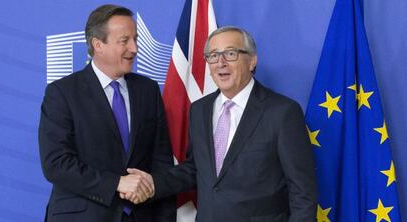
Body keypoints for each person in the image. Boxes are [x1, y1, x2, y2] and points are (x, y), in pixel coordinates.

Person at [131, 26, 318, 222]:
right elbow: (196, 169)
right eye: (213, 55)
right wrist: (153, 183)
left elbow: (303, 192)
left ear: (252, 61)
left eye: (230, 54)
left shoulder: (282, 112)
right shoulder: (199, 110)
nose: (220, 63)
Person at [38, 4, 175, 222]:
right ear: (98, 44)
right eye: (124, 41)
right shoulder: (62, 93)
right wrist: (117, 183)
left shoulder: (148, 90)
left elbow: (161, 161)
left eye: (135, 39)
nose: (135, 48)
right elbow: (56, 163)